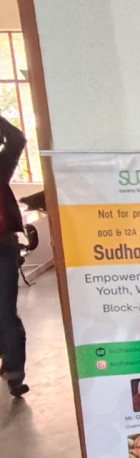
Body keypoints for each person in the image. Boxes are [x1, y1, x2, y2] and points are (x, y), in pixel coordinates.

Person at [0, 116, 28, 397]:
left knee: (5, 313)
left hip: (3, 249)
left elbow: (18, 140)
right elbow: (17, 139)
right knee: (5, 313)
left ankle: (14, 371)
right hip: (4, 250)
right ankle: (13, 369)